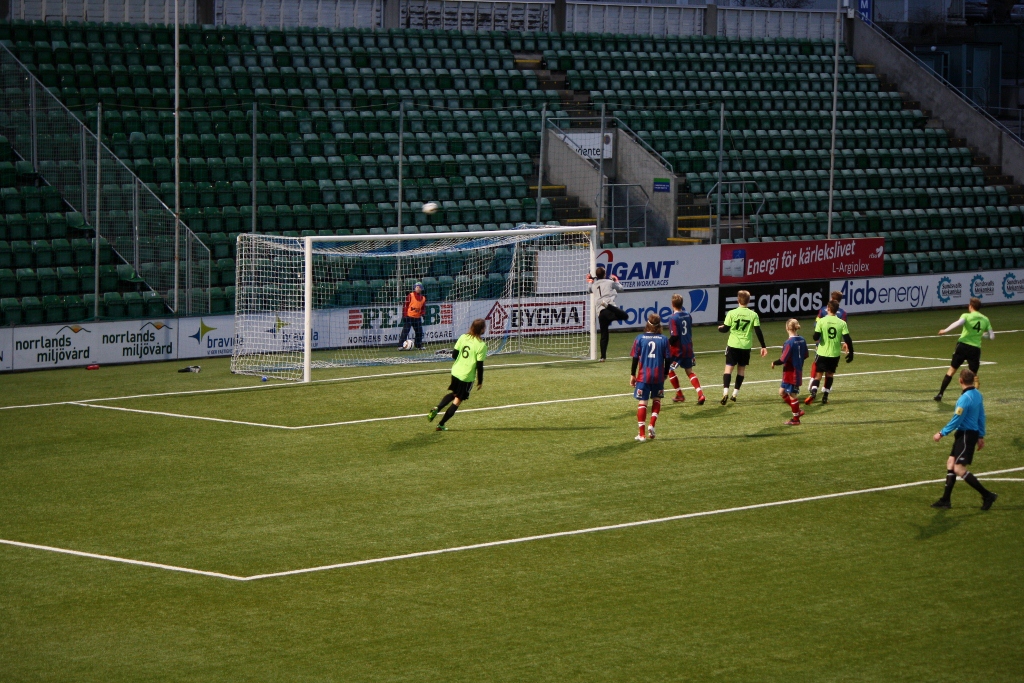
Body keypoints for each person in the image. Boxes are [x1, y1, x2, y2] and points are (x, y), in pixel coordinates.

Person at [931, 369, 997, 510]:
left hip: (966, 435)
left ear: (960, 380)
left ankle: (987, 495)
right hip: (967, 434)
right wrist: (981, 435)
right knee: (951, 463)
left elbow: (957, 419)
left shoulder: (965, 398)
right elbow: (981, 415)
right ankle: (946, 500)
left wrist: (941, 433)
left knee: (959, 469)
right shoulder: (977, 394)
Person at [428, 318, 487, 431]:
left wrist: (461, 362)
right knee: (458, 399)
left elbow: (454, 355)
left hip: (455, 372)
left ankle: (437, 408)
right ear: (482, 329)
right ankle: (441, 424)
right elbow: (479, 366)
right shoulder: (481, 345)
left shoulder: (463, 337)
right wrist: (480, 381)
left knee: (454, 393)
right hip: (466, 376)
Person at [934, 297, 995, 402]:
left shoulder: (966, 315)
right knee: (973, 375)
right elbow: (992, 336)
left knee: (951, 370)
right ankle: (969, 396)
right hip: (975, 349)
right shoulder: (985, 319)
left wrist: (945, 330)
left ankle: (940, 394)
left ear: (971, 306)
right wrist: (984, 336)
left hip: (962, 346)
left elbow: (958, 323)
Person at [718, 290, 767, 405]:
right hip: (745, 346)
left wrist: (720, 328)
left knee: (728, 369)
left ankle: (725, 392)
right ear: (749, 301)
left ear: (738, 300)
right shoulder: (753, 315)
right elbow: (758, 331)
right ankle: (735, 394)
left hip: (733, 345)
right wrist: (763, 346)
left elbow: (725, 329)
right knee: (741, 370)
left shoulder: (731, 313)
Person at [630, 313, 670, 442]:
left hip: (644, 376)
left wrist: (632, 374)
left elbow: (635, 358)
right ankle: (652, 424)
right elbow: (668, 359)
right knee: (657, 399)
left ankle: (642, 435)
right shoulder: (664, 339)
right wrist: (665, 373)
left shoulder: (640, 338)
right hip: (658, 375)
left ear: (647, 323)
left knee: (643, 402)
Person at [805, 299, 854, 405]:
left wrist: (819, 334)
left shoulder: (821, 321)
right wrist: (851, 353)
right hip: (835, 354)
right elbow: (848, 339)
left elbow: (815, 337)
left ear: (828, 308)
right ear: (837, 310)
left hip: (822, 353)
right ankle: (825, 397)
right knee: (830, 374)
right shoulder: (842, 323)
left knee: (818, 375)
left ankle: (813, 392)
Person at [665, 293, 706, 405]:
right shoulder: (688, 315)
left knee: (669, 370)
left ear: (672, 304)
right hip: (688, 347)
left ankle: (679, 395)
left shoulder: (673, 318)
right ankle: (701, 394)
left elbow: (675, 336)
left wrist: (666, 344)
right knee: (689, 372)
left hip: (677, 350)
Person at [587, 266, 629, 361]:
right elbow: (621, 288)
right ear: (604, 274)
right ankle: (608, 305)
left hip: (601, 313)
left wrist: (590, 281)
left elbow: (589, 290)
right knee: (625, 316)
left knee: (604, 334)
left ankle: (603, 357)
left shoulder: (594, 285)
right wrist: (616, 280)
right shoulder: (609, 282)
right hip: (610, 309)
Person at [772, 318, 809, 426]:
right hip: (794, 371)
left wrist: (774, 363)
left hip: (791, 373)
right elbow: (806, 355)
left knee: (793, 395)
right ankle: (797, 410)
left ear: (787, 328)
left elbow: (783, 359)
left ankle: (796, 419)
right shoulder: (802, 339)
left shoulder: (788, 342)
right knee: (782, 392)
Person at [809, 291, 848, 379]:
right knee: (830, 370)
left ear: (831, 299)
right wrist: (846, 342)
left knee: (817, 363)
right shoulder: (843, 313)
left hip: (821, 342)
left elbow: (816, 323)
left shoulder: (823, 310)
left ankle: (812, 381)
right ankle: (826, 386)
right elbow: (844, 329)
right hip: (834, 345)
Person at [397, 282, 427, 350]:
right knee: (405, 331)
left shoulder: (423, 298)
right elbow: (405, 306)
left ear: (421, 289)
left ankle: (418, 345)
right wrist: (404, 315)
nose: (418, 289)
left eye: (419, 287)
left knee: (419, 332)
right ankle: (400, 345)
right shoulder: (410, 295)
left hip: (417, 317)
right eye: (417, 287)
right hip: (409, 316)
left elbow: (423, 308)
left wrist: (423, 313)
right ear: (414, 288)